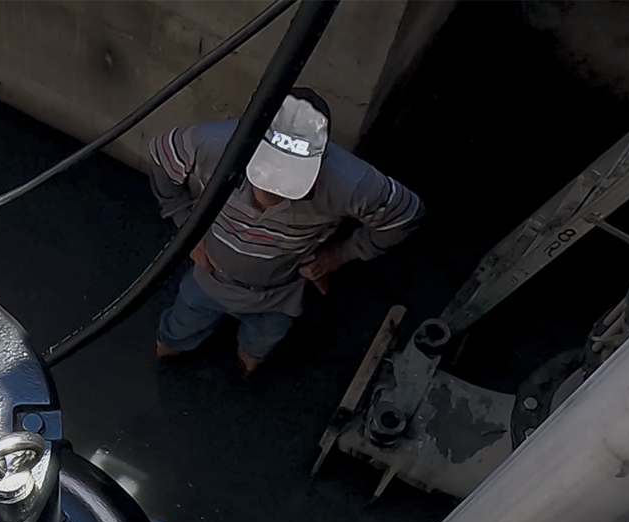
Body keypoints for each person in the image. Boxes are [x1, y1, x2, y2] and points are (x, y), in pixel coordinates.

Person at [149, 88, 425, 375]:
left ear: (320, 164)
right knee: (177, 330)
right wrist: (186, 228)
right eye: (268, 167)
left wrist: (341, 254)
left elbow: (406, 213)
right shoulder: (214, 144)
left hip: (281, 294)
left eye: (291, 175)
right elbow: (164, 153)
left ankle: (246, 363)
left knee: (259, 345)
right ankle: (172, 349)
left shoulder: (350, 182)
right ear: (247, 144)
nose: (275, 187)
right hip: (210, 278)